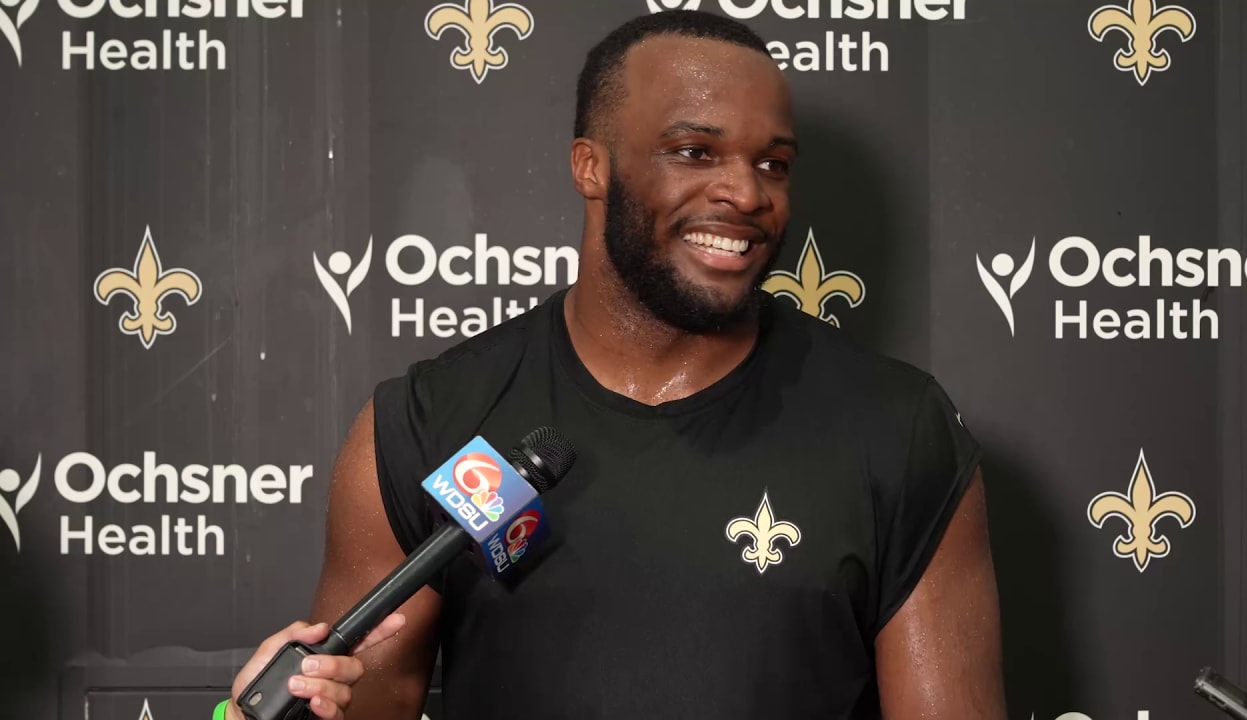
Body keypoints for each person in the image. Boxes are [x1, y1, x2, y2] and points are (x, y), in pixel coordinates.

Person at [225, 10, 1006, 720]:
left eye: (772, 164)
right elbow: (367, 704)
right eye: (694, 151)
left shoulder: (895, 429)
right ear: (591, 167)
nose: (744, 192)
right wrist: (305, 713)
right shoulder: (430, 423)